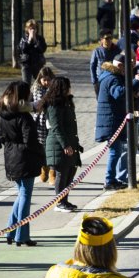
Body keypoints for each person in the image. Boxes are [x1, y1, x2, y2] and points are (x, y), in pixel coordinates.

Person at [0, 81, 45, 247]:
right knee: (25, 195)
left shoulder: (4, 114)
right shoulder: (23, 117)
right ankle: (22, 235)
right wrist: (41, 153)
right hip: (25, 158)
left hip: (10, 156)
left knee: (21, 194)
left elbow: (3, 137)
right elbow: (30, 141)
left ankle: (11, 229)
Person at [42, 77, 82, 213]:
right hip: (57, 145)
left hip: (69, 143)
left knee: (70, 172)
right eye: (67, 86)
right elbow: (56, 127)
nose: (69, 89)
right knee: (61, 173)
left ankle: (64, 200)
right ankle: (59, 202)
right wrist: (65, 145)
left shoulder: (67, 102)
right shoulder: (53, 105)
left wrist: (75, 144)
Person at [96, 54, 129, 191]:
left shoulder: (106, 75)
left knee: (116, 151)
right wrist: (132, 84)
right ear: (120, 66)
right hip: (111, 120)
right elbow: (117, 93)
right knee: (115, 151)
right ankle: (109, 180)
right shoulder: (113, 78)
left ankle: (113, 178)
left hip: (111, 119)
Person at [18, 19, 47, 83]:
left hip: (38, 63)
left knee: (40, 82)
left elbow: (42, 50)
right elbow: (22, 50)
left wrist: (35, 40)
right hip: (26, 64)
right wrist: (29, 41)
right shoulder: (23, 38)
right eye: (30, 29)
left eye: (34, 28)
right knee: (26, 84)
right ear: (27, 29)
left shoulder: (40, 39)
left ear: (37, 29)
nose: (32, 30)